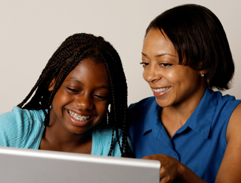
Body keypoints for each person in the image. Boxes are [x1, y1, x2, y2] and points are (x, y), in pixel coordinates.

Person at [128, 4, 241, 183]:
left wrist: (180, 171)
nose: (149, 76)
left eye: (165, 64)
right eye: (145, 63)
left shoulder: (235, 120)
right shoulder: (132, 116)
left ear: (203, 63)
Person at [0, 33, 132, 157]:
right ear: (52, 82)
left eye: (100, 95)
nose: (84, 103)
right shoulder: (13, 130)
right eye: (73, 89)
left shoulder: (115, 147)